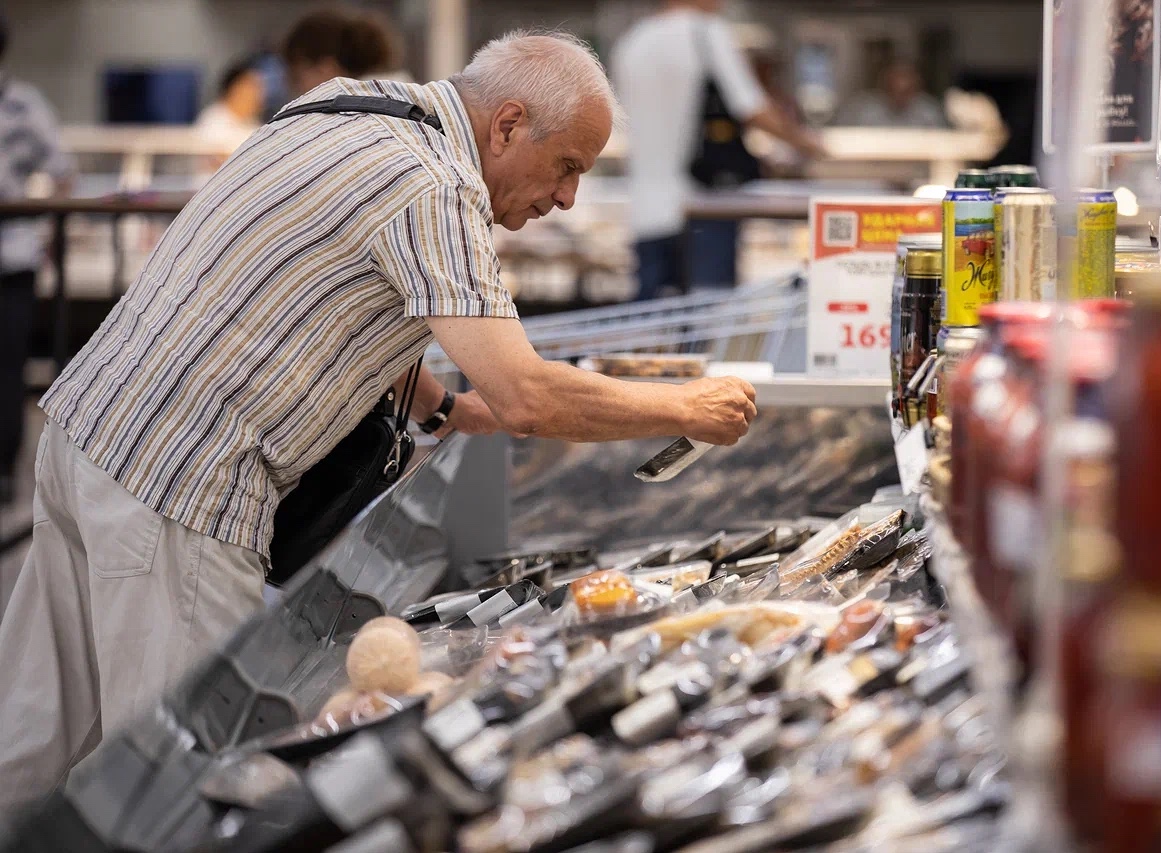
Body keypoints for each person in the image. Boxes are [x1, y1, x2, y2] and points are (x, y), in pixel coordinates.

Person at [0, 30, 757, 809]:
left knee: (29, 737)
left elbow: (333, 286)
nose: (566, 198)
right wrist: (685, 407)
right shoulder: (435, 188)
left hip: (89, 433)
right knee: (198, 781)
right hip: (180, 485)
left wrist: (443, 405)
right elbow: (526, 394)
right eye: (566, 166)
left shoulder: (350, 106)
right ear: (506, 126)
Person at [613, 0, 823, 301]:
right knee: (707, 320)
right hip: (705, 204)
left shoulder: (633, 42)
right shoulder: (707, 33)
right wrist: (807, 142)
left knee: (655, 324)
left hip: (645, 209)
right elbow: (751, 108)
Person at [0, 14, 74, 508]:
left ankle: (4, 472)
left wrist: (44, 230)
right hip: (15, 255)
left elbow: (61, 170)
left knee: (8, 371)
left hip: (10, 258)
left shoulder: (22, 104)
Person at [282, 5, 408, 95]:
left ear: (326, 69)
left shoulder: (344, 118)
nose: (297, 89)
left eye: (297, 77)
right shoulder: (408, 100)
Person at [194, 57, 267, 153]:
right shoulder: (214, 119)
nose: (258, 95)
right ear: (234, 89)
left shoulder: (254, 123)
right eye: (252, 87)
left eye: (259, 89)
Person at [847, 60, 948, 129]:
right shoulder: (867, 111)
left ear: (916, 90)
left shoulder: (929, 112)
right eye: (893, 89)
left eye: (906, 91)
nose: (899, 96)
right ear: (883, 89)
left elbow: (944, 142)